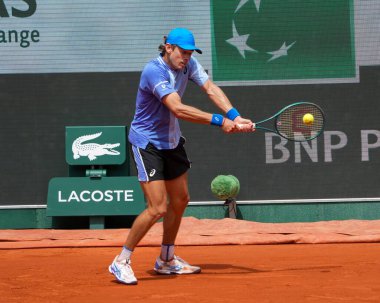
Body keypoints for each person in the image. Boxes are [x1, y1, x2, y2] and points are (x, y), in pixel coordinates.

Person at [109, 28, 254, 285]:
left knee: (180, 200)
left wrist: (235, 116)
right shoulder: (154, 71)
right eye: (182, 53)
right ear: (168, 48)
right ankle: (120, 261)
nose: (186, 58)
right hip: (148, 144)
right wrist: (219, 121)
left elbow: (210, 88)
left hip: (172, 142)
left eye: (189, 54)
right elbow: (177, 108)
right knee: (157, 208)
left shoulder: (189, 64)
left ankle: (166, 259)